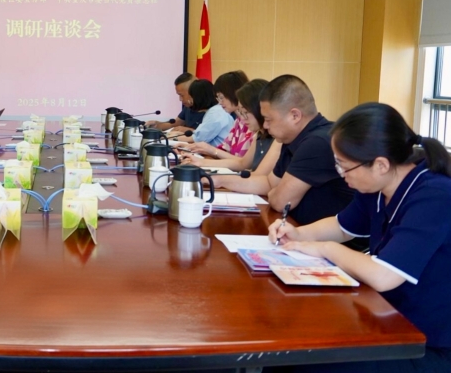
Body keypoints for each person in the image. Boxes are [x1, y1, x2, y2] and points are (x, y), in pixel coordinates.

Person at [268, 103, 451, 372]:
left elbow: (384, 275)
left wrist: (326, 249)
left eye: (344, 167)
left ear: (380, 165)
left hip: (428, 342)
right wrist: (297, 234)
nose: (341, 175)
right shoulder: (378, 186)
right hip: (387, 316)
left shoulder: (434, 195)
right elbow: (342, 226)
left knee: (306, 358)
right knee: (291, 338)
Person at [212, 74, 355, 225]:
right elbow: (269, 183)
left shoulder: (317, 142)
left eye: (268, 120)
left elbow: (280, 201)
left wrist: (276, 192)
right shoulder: (292, 138)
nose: (265, 126)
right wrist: (218, 180)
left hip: (322, 236)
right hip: (296, 228)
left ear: (295, 116)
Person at [182, 79, 281, 173]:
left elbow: (258, 176)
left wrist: (217, 178)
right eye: (241, 112)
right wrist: (201, 162)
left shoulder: (277, 140)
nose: (243, 118)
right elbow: (242, 163)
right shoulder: (258, 134)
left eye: (245, 112)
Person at [184, 70, 253, 159]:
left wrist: (210, 152)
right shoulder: (238, 122)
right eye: (218, 98)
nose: (220, 103)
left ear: (234, 94)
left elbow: (243, 163)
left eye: (221, 97)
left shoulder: (252, 125)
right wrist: (191, 148)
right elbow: (224, 150)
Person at [175, 79, 233, 147]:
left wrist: (173, 138)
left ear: (199, 98)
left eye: (191, 97)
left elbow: (199, 139)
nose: (190, 101)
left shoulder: (215, 113)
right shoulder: (213, 111)